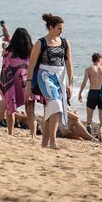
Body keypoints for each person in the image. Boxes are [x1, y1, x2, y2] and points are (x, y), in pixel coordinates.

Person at [27, 13, 74, 149]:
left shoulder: (65, 43)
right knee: (56, 105)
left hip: (60, 78)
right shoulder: (40, 43)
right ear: (51, 28)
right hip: (45, 76)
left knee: (50, 109)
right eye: (59, 28)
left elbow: (69, 63)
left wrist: (71, 83)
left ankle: (44, 143)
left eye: (62, 28)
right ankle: (53, 142)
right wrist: (28, 83)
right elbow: (31, 64)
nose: (61, 31)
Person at [0, 27, 33, 136]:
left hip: (13, 85)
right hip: (28, 83)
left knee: (10, 108)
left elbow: (5, 69)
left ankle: (10, 133)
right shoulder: (32, 53)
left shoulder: (8, 53)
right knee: (30, 111)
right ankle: (33, 135)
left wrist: (3, 85)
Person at [78, 53, 102, 135]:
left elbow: (84, 82)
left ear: (93, 60)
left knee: (89, 117)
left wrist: (80, 93)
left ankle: (89, 134)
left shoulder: (89, 69)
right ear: (100, 59)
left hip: (92, 93)